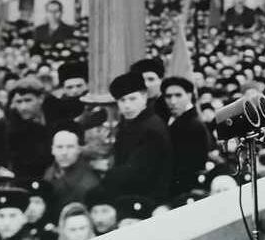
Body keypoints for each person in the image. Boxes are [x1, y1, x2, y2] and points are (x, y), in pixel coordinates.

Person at [101, 71, 173, 204]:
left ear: (144, 96)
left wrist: (105, 172)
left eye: (132, 99)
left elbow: (135, 173)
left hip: (145, 198)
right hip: (132, 190)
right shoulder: (131, 122)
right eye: (122, 100)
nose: (127, 105)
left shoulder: (151, 129)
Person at [162, 76, 214, 196]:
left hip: (183, 189)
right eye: (168, 96)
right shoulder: (173, 119)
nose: (173, 101)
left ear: (189, 95)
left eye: (178, 95)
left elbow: (190, 166)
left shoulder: (193, 125)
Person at [43, 128, 101, 214]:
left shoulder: (89, 184)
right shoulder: (49, 172)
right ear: (52, 150)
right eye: (59, 147)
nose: (64, 152)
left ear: (78, 150)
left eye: (70, 147)